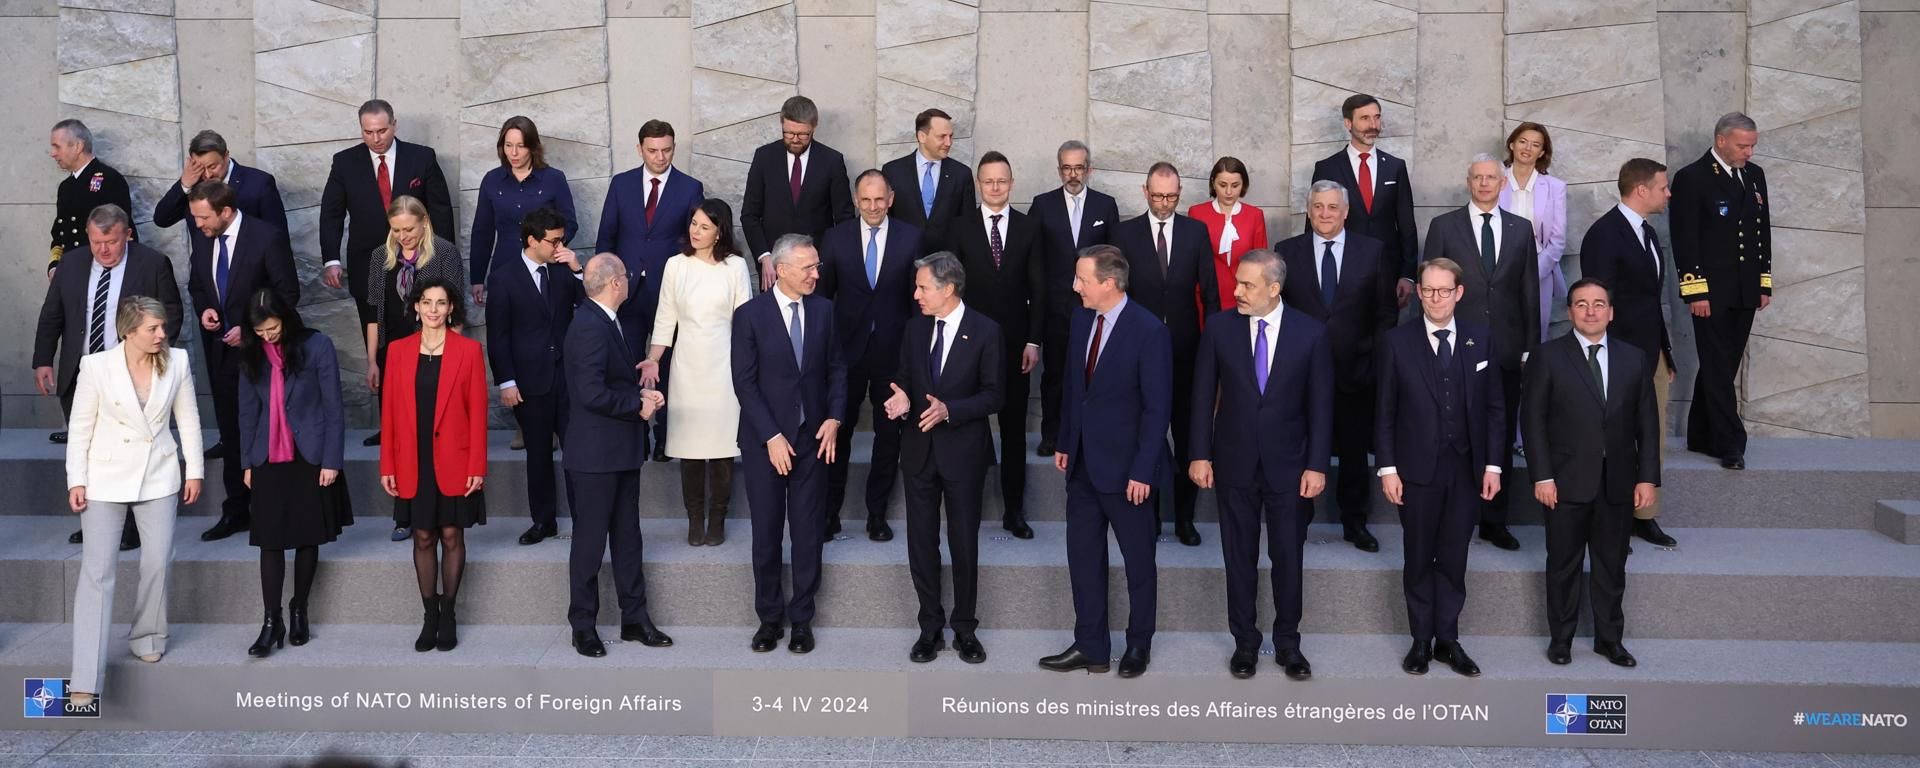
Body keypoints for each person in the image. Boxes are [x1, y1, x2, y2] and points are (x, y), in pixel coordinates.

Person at [1188, 248, 1332, 681]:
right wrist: (1199, 453)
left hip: (1291, 467)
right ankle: (1245, 643)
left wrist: (1317, 465)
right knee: (1239, 557)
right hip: (1234, 462)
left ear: (1274, 288)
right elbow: (1202, 394)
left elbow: (1321, 406)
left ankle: (1289, 644)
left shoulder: (1311, 332)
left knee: (1288, 556)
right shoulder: (1219, 328)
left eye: (1247, 285)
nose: (1237, 291)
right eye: (1237, 282)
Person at [1040, 245, 1171, 679]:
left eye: (1082, 279)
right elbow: (1075, 387)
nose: (1075, 286)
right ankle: (1091, 646)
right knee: (1083, 559)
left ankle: (1138, 645)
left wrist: (1142, 469)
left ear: (1109, 283)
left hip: (1128, 472)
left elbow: (1157, 409)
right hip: (1082, 465)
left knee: (1138, 564)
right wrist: (1065, 440)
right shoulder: (1082, 320)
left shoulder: (1149, 330)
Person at [64, 296, 202, 708]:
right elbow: (80, 427)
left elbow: (188, 418)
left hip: (158, 474)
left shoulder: (177, 362)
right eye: (152, 329)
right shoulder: (96, 366)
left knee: (158, 561)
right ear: (128, 331)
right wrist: (76, 480)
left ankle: (148, 636)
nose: (162, 334)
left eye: (162, 327)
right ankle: (85, 675)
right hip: (104, 478)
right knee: (97, 572)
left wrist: (194, 470)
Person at [1375, 258, 1505, 678]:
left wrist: (1493, 465)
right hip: (1415, 470)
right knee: (1417, 555)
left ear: (1459, 293)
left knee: (1453, 556)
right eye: (1428, 290)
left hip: (1466, 468)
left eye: (1443, 291)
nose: (1435, 298)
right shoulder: (1397, 342)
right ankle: (1420, 641)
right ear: (1418, 292)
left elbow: (1495, 407)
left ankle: (1448, 639)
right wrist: (1388, 468)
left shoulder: (1481, 339)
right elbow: (1385, 411)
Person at [1524, 278, 1661, 669]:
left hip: (1617, 481)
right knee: (1563, 565)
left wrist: (1647, 477)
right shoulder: (1548, 356)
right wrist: (1542, 476)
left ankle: (1609, 639)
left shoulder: (1633, 358)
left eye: (1599, 303)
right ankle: (1561, 639)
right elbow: (1532, 421)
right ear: (1570, 311)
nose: (1590, 311)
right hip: (1564, 482)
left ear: (1611, 312)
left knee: (1611, 567)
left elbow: (1647, 423)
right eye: (1581, 304)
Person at [34, 205, 182, 549]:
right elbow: (52, 313)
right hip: (82, 372)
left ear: (127, 235)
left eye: (111, 242)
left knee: (126, 451)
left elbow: (172, 313)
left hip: (132, 372)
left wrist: (150, 354)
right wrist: (43, 360)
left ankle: (130, 526)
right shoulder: (71, 263)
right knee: (88, 451)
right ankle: (96, 522)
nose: (103, 250)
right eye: (96, 242)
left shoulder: (152, 264)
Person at [881, 252, 1004, 664]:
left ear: (948, 288)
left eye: (923, 288)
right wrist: (901, 397)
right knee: (921, 542)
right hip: (919, 451)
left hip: (963, 454)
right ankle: (929, 627)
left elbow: (994, 395)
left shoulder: (986, 331)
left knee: (963, 542)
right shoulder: (915, 328)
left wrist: (951, 410)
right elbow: (904, 377)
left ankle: (965, 627)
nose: (916, 295)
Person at [732, 234, 846, 655]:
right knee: (766, 533)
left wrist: (834, 417)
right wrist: (771, 436)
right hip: (765, 442)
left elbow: (838, 369)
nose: (816, 273)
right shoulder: (749, 315)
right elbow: (744, 382)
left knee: (807, 532)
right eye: (808, 267)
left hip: (813, 440)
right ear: (781, 270)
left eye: (817, 266)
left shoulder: (825, 310)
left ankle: (801, 619)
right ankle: (769, 619)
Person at [1422, 154, 1539, 551]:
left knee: (1498, 435)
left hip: (1505, 350)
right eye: (1478, 177)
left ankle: (1494, 520)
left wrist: (1530, 349)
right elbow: (1429, 287)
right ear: (1468, 181)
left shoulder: (1521, 229)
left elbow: (1529, 292)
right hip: (1453, 347)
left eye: (1492, 177)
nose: (1485, 183)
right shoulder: (1444, 226)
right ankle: (1451, 514)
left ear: (1502, 183)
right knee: (1450, 430)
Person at [564, 254, 673, 658]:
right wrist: (636, 406)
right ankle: (583, 627)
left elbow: (607, 380)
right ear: (614, 284)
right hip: (594, 458)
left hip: (620, 451)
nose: (628, 281)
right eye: (625, 276)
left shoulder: (605, 321)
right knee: (590, 545)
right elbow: (590, 392)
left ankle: (634, 619)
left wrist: (639, 393)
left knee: (628, 539)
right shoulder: (589, 325)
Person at [1278, 182, 1397, 552]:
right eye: (1318, 206)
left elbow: (1385, 314)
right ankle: (1297, 520)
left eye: (1332, 207)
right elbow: (1279, 313)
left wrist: (1374, 363)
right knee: (1298, 448)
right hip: (1301, 373)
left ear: (1346, 212)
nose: (1325, 213)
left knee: (1353, 451)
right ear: (1308, 210)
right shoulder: (1287, 251)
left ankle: (1354, 522)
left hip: (1356, 371)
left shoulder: (1373, 251)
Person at [1109, 162, 1220, 546]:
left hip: (1187, 353)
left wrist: (1213, 351)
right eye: (1157, 195)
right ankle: (1150, 517)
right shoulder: (1123, 234)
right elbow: (1116, 297)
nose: (1164, 203)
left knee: (1189, 436)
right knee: (1146, 437)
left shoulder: (1195, 232)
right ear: (1145, 192)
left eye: (1171, 196)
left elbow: (1210, 295)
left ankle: (1185, 519)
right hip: (1139, 355)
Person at [236, 288, 351, 659]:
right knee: (269, 542)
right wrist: (247, 462)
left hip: (309, 454)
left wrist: (332, 461)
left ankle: (299, 608)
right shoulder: (251, 353)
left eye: (272, 328)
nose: (268, 336)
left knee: (306, 537)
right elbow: (247, 412)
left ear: (286, 319)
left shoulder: (317, 346)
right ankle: (272, 621)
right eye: (260, 331)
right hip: (267, 456)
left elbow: (334, 407)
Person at [186, 180, 300, 543]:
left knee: (267, 430)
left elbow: (288, 293)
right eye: (195, 218)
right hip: (221, 355)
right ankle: (236, 508)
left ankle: (273, 509)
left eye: (203, 217)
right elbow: (197, 284)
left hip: (262, 356)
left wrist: (250, 329)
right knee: (232, 433)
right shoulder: (204, 237)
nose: (198, 224)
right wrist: (205, 309)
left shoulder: (266, 237)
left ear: (225, 211)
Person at [380, 278, 488, 653]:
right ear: (416, 306)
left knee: (452, 535)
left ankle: (449, 614)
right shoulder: (397, 351)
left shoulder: (469, 351)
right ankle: (430, 615)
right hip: (413, 459)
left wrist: (477, 465)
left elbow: (478, 413)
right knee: (423, 536)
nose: (433, 309)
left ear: (451, 308)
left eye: (441, 303)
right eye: (426, 302)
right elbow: (389, 413)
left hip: (456, 459)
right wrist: (387, 464)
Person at [638, 199, 754, 546]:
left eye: (705, 226)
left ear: (720, 232)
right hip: (687, 366)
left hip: (724, 366)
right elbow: (665, 319)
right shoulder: (676, 265)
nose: (696, 231)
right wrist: (653, 358)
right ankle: (694, 518)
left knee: (721, 446)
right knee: (688, 447)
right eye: (693, 224)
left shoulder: (735, 266)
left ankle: (717, 518)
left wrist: (749, 367)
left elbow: (745, 321)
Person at [816, 171, 923, 541]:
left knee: (888, 438)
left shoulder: (911, 237)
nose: (873, 207)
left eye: (879, 199)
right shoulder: (835, 238)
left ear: (890, 198)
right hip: (845, 354)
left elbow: (917, 304)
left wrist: (914, 359)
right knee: (837, 433)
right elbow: (821, 299)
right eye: (866, 200)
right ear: (855, 200)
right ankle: (829, 513)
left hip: (893, 356)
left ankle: (877, 515)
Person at [1579, 158, 1680, 548]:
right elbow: (1596, 306)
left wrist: (1665, 353)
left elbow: (1651, 301)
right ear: (1642, 190)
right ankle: (1609, 517)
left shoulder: (1648, 233)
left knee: (1652, 434)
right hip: (1618, 355)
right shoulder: (1604, 234)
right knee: (1613, 437)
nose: (1668, 194)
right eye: (1663, 187)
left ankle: (1644, 517)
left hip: (1650, 354)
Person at [943, 151, 1042, 540]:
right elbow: (951, 289)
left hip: (1016, 346)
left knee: (1014, 431)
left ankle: (1014, 511)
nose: (995, 187)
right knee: (969, 427)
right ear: (979, 184)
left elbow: (1039, 289)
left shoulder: (1029, 228)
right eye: (988, 181)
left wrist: (1033, 340)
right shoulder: (960, 227)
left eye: (1002, 181)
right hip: (970, 344)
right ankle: (965, 507)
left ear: (1011, 183)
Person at [596, 120, 705, 460]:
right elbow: (606, 237)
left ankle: (665, 438)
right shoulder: (621, 184)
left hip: (670, 292)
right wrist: (605, 286)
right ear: (640, 149)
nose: (660, 157)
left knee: (670, 367)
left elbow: (696, 242)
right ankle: (635, 435)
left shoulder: (690, 188)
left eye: (667, 150)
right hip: (625, 293)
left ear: (674, 148)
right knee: (626, 363)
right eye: (653, 150)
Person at [1671, 112, 1771, 471]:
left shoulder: (1755, 175)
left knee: (1724, 364)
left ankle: (1699, 434)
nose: (1749, 152)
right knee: (1715, 364)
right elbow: (1685, 239)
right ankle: (1730, 443)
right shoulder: (1692, 178)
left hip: (1746, 289)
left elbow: (1762, 231)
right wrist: (1695, 291)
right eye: (1743, 146)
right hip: (1710, 292)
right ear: (1721, 140)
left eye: (1752, 145)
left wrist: (1763, 282)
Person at [365, 196, 466, 540]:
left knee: (431, 432)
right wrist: (372, 360)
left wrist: (452, 356)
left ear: (424, 222)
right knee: (399, 434)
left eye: (409, 229)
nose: (403, 236)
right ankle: (404, 513)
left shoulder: (444, 252)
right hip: (394, 353)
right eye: (396, 230)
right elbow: (373, 313)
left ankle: (439, 508)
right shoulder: (381, 256)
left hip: (434, 354)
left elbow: (455, 311)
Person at [485, 206, 585, 546]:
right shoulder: (504, 277)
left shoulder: (563, 271)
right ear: (532, 240)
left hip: (567, 379)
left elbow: (591, 306)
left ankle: (585, 519)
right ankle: (543, 521)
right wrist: (507, 381)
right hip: (529, 382)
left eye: (562, 240)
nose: (560, 247)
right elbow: (498, 336)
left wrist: (577, 270)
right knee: (538, 454)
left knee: (577, 451)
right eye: (554, 241)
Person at [319, 99, 455, 328]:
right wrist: (331, 260)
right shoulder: (344, 163)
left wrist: (444, 259)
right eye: (368, 132)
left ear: (394, 124)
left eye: (382, 131)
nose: (376, 138)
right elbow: (331, 214)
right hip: (366, 265)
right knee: (375, 333)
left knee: (418, 333)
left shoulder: (421, 157)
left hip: (417, 263)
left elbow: (440, 211)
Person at [1029, 140, 1117, 456]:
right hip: (1055, 308)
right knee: (1055, 374)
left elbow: (1114, 258)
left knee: (1095, 373)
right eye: (1067, 168)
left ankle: (1091, 435)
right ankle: (1052, 435)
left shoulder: (1105, 206)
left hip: (1095, 308)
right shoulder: (1042, 205)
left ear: (1089, 169)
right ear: (1059, 170)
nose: (1073, 174)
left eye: (1079, 168)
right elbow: (1034, 258)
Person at [1310, 95, 1417, 306]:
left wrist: (1408, 274)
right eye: (1365, 118)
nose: (1373, 125)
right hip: (1341, 269)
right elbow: (1314, 223)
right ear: (1348, 123)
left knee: (1385, 326)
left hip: (1387, 270)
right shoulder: (1327, 168)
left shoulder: (1395, 166)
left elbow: (1406, 223)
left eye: (1376, 117)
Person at [743, 95, 854, 291]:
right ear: (782, 124)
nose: (795, 139)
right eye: (789, 133)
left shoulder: (832, 161)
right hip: (775, 268)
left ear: (814, 127)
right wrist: (765, 256)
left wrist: (829, 261)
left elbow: (844, 219)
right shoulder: (764, 157)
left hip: (818, 271)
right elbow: (749, 215)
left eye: (803, 134)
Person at [469, 116, 578, 307]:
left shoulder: (554, 178)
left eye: (521, 146)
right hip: (504, 266)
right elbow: (482, 232)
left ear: (533, 146)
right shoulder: (491, 180)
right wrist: (477, 278)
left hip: (545, 268)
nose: (514, 153)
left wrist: (552, 246)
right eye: (508, 145)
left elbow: (570, 223)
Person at [154, 130, 291, 275]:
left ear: (226, 156)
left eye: (213, 167)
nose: (207, 175)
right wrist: (184, 185)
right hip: (206, 279)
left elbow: (278, 238)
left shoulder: (259, 183)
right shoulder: (191, 184)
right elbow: (162, 219)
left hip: (251, 276)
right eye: (201, 168)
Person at [1499, 123, 1567, 341]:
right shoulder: (1493, 180)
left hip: (1539, 270)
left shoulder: (1555, 187)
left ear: (1542, 152)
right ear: (1512, 144)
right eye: (1523, 141)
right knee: (1498, 334)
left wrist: (1533, 273)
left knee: (1535, 335)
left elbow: (1557, 239)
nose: (1527, 148)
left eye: (1535, 145)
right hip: (1497, 271)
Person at [47, 119, 137, 281]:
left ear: (78, 146)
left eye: (57, 147)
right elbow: (60, 233)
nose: (52, 153)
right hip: (72, 273)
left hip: (102, 275)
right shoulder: (66, 187)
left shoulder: (109, 179)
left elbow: (123, 233)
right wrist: (55, 266)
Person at [883, 109, 975, 255]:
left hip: (947, 262)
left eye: (950, 136)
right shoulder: (893, 171)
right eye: (942, 136)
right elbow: (886, 219)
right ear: (922, 136)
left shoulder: (961, 174)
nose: (948, 142)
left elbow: (968, 225)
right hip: (903, 258)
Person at [1188, 156, 1269, 310]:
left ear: (1244, 184)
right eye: (1223, 185)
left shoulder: (1255, 215)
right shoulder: (1197, 213)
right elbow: (1191, 261)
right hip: (1206, 298)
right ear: (1213, 183)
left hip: (1245, 296)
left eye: (1235, 185)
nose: (1229, 192)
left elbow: (1261, 262)